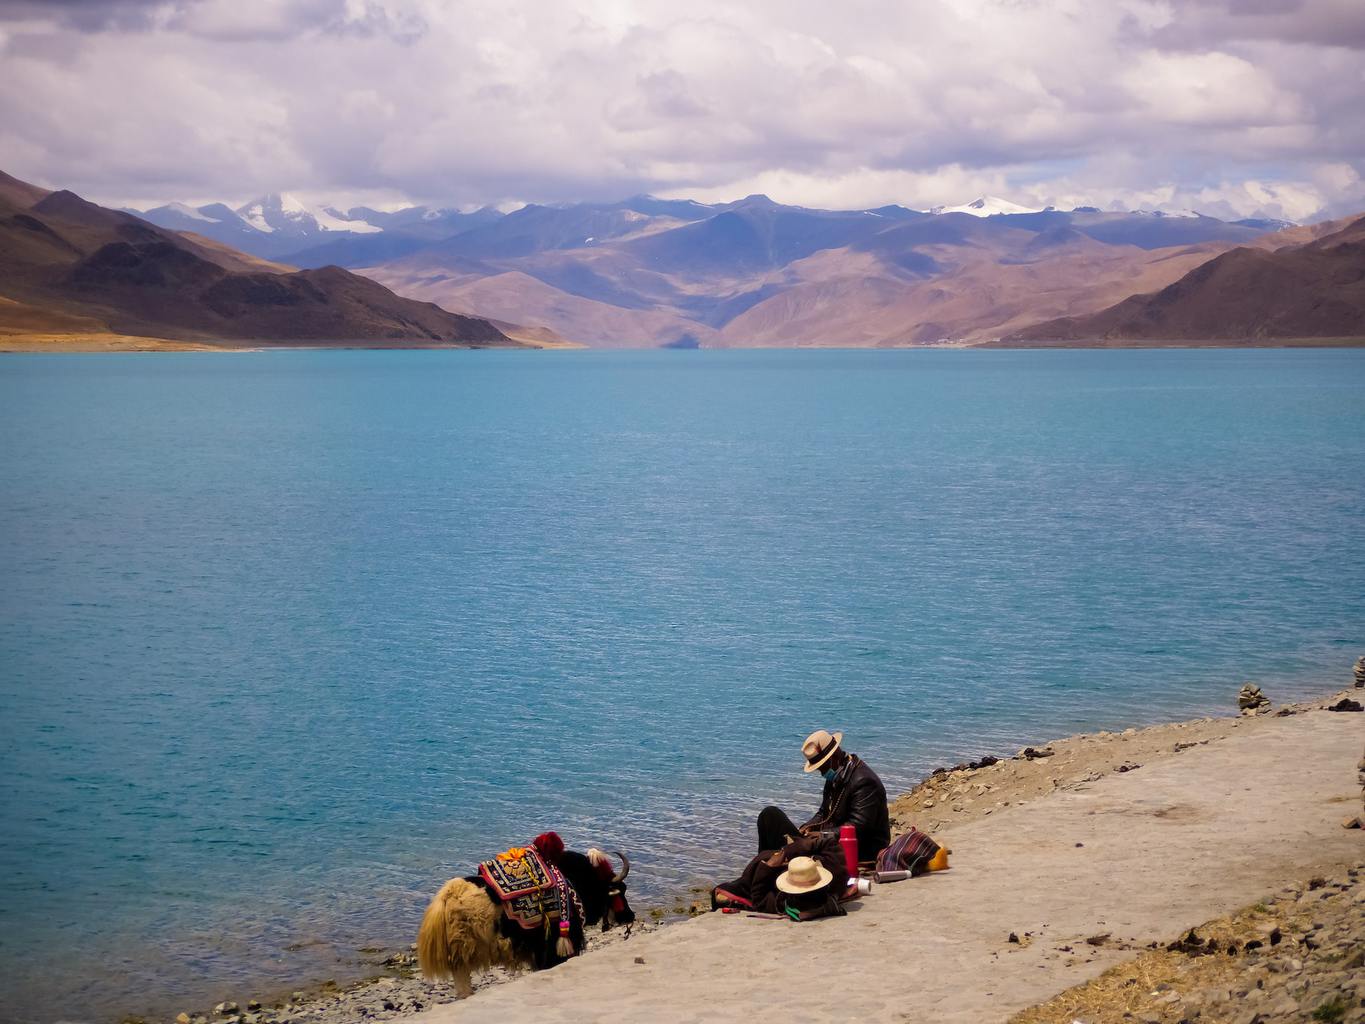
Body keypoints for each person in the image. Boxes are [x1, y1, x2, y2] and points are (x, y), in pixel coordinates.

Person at [756, 728, 890, 862]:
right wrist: (807, 827)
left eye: (822, 767)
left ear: (833, 758)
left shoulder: (864, 781)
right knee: (769, 817)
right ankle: (764, 865)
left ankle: (769, 869)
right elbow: (823, 813)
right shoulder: (837, 775)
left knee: (787, 841)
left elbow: (859, 827)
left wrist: (822, 836)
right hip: (831, 841)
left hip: (859, 849)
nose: (821, 772)